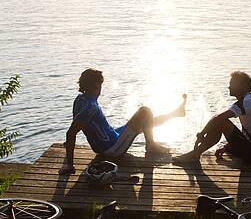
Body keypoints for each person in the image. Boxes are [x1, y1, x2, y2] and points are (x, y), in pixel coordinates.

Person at [59, 68, 187, 175]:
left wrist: (69, 145)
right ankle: (151, 145)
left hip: (107, 142)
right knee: (145, 111)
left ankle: (175, 113)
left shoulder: (79, 100)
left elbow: (75, 127)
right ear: (96, 86)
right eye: (100, 85)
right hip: (113, 148)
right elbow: (71, 133)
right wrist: (69, 165)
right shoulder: (91, 106)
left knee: (145, 122)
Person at [173, 71, 251, 164]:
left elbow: (218, 118)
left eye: (232, 84)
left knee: (221, 122)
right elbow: (250, 131)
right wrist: (227, 147)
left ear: (244, 86)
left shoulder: (246, 102)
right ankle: (195, 154)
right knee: (220, 122)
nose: (229, 87)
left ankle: (194, 155)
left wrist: (202, 134)